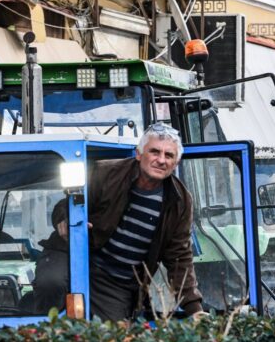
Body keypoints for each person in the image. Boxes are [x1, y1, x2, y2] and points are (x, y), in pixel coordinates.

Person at [31, 122, 203, 320]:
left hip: (116, 281)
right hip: (72, 254)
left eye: (169, 155)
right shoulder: (105, 173)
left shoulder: (180, 201)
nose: (161, 160)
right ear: (139, 154)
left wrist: (194, 308)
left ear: (176, 163)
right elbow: (64, 206)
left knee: (113, 334)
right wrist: (66, 220)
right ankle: (40, 332)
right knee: (51, 283)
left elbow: (179, 256)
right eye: (155, 152)